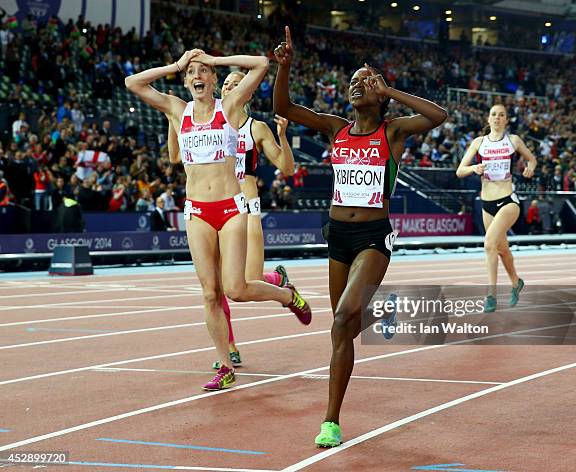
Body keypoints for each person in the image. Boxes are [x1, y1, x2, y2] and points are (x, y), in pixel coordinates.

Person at [273, 27, 448, 447]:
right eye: (351, 81)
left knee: (339, 318)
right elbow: (284, 106)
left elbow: (437, 116)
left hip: (373, 235)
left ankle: (330, 421)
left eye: (364, 81)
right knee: (344, 329)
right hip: (338, 235)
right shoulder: (336, 128)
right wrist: (284, 68)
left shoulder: (393, 131)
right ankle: (375, 310)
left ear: (380, 93)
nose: (355, 85)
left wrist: (392, 90)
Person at [126, 48, 312, 391]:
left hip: (231, 207)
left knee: (236, 288)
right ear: (185, 80)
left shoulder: (229, 108)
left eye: (203, 72)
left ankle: (287, 297)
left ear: (212, 79)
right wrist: (176, 64)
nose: (198, 76)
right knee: (210, 294)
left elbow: (261, 64)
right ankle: (225, 365)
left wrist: (214, 60)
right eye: (191, 73)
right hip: (197, 211)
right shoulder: (177, 110)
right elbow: (133, 82)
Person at [166, 71, 297, 369]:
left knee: (244, 283)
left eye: (236, 85)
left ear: (247, 92)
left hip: (245, 206)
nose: (229, 88)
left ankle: (277, 281)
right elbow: (175, 156)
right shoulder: (202, 122)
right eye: (225, 84)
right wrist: (172, 120)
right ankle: (230, 347)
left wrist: (282, 137)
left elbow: (286, 168)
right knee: (218, 286)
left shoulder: (255, 128)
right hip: (210, 205)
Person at [456, 103, 537, 312]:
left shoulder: (514, 140)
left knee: (489, 244)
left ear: (506, 120)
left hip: (508, 200)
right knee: (502, 249)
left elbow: (532, 159)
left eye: (502, 115)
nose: (497, 118)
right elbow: (460, 171)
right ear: (488, 119)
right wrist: (474, 167)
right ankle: (516, 283)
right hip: (487, 203)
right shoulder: (479, 143)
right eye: (494, 114)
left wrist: (530, 168)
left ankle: (490, 295)